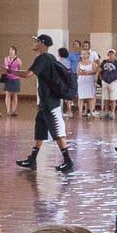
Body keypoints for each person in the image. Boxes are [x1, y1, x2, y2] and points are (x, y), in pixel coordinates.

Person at [16, 35, 75, 174]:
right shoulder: (49, 58)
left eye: (36, 41)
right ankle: (32, 159)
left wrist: (9, 71)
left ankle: (68, 161)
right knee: (40, 131)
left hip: (50, 103)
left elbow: (28, 74)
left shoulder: (43, 58)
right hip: (45, 103)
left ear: (42, 44)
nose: (34, 43)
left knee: (57, 132)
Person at [76, 45, 99, 119]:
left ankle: (91, 111)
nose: (83, 55)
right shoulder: (79, 63)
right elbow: (78, 72)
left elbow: (95, 71)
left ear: (88, 55)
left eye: (85, 54)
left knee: (90, 97)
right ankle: (80, 112)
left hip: (89, 81)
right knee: (81, 97)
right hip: (82, 81)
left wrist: (88, 73)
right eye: (82, 54)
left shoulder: (92, 63)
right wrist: (84, 73)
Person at [1, 46, 23, 116]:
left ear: (15, 51)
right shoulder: (6, 59)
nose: (10, 51)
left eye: (12, 50)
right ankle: (8, 110)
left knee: (15, 94)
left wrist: (14, 72)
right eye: (10, 50)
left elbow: (19, 68)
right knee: (7, 94)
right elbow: (5, 67)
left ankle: (14, 111)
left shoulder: (18, 60)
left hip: (16, 78)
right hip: (8, 78)